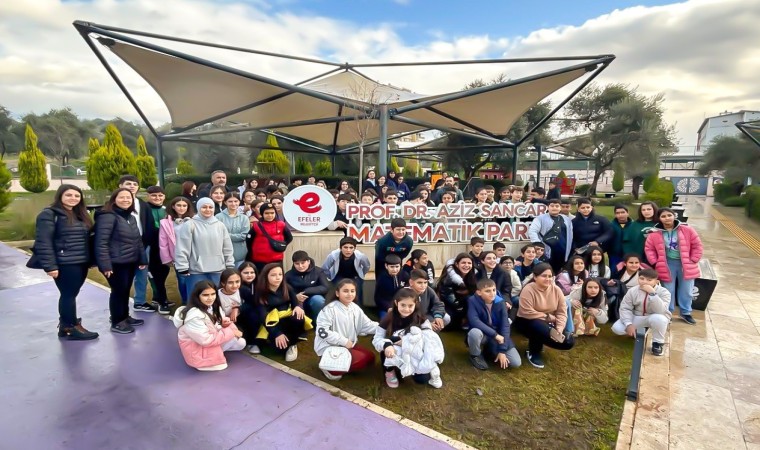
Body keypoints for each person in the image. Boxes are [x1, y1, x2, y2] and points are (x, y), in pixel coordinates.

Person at [30, 184, 98, 340]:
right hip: (65, 263)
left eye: (77, 195)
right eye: (69, 195)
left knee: (71, 294)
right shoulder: (49, 214)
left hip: (81, 262)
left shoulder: (80, 214)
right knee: (68, 295)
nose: (73, 198)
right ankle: (70, 327)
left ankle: (66, 324)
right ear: (60, 196)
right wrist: (50, 266)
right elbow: (43, 242)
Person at [94, 188, 148, 334]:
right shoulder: (107, 216)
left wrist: (142, 259)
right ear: (114, 199)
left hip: (129, 261)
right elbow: (101, 243)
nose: (125, 200)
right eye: (122, 197)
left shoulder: (130, 217)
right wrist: (105, 265)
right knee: (118, 291)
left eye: (128, 198)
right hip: (115, 263)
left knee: (125, 290)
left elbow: (138, 240)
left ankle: (124, 317)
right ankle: (117, 321)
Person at [372, 289, 445, 389]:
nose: (406, 309)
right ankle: (389, 371)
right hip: (393, 350)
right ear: (396, 303)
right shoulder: (388, 318)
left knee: (422, 379)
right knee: (388, 348)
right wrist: (387, 345)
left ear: (415, 304)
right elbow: (377, 338)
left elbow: (428, 336)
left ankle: (412, 367)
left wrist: (406, 342)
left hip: (413, 351)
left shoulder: (420, 318)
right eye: (403, 305)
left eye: (410, 306)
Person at [645, 208, 703, 325]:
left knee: (686, 290)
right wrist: (655, 261)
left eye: (669, 215)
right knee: (668, 290)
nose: (667, 218)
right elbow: (649, 248)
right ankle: (668, 313)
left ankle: (685, 312)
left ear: (674, 216)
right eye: (663, 216)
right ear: (659, 219)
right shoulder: (654, 233)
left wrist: (693, 259)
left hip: (686, 264)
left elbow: (697, 245)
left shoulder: (687, 229)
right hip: (667, 264)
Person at [173, 280, 246, 371]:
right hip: (198, 349)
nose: (210, 298)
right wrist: (231, 332)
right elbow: (206, 340)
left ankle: (217, 351)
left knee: (240, 343)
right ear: (197, 296)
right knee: (222, 365)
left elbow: (214, 326)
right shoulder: (194, 317)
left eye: (213, 294)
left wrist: (223, 324)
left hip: (208, 341)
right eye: (205, 295)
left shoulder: (213, 307)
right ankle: (212, 355)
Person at [314, 279, 379, 381]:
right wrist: (343, 341)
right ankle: (328, 367)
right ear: (337, 293)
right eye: (345, 291)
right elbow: (322, 332)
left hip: (348, 346)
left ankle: (340, 365)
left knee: (370, 358)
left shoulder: (355, 308)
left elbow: (367, 325)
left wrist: (385, 328)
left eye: (352, 291)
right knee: (362, 360)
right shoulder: (329, 309)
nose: (349, 294)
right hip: (330, 347)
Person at [515, 263, 575, 369]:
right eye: (544, 276)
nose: (548, 279)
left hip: (548, 323)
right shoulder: (528, 289)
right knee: (538, 326)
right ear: (535, 277)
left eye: (550, 276)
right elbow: (526, 312)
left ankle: (543, 338)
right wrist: (549, 317)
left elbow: (562, 312)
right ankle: (534, 353)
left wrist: (559, 329)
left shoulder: (556, 290)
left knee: (568, 342)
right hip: (526, 321)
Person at [174, 197, 235, 300]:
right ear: (198, 208)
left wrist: (229, 263)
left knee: (216, 298)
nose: (208, 210)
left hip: (218, 269)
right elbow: (182, 247)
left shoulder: (220, 225)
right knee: (196, 298)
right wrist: (182, 266)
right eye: (204, 207)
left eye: (210, 207)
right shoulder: (190, 224)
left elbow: (227, 247)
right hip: (196, 270)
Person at [254, 263, 311, 362]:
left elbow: (295, 302)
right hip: (272, 322)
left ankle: (293, 343)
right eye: (273, 275)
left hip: (287, 319)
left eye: (280, 274)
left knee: (298, 316)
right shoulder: (261, 292)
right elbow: (263, 317)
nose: (278, 278)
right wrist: (277, 333)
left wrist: (298, 307)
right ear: (266, 276)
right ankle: (275, 340)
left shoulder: (286, 287)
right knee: (280, 349)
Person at [118, 175, 156, 313]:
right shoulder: (115, 205)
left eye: (135, 184)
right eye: (128, 184)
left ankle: (139, 302)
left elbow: (150, 224)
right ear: (120, 186)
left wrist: (147, 243)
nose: (132, 186)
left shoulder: (143, 205)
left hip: (142, 245)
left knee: (142, 275)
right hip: (122, 247)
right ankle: (120, 308)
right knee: (123, 278)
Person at [611, 268, 671, 356]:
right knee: (617, 328)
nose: (644, 282)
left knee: (660, 319)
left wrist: (652, 294)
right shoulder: (633, 290)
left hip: (654, 316)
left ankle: (657, 343)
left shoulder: (664, 292)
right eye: (642, 278)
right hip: (637, 316)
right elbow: (625, 308)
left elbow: (661, 311)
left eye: (649, 280)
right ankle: (637, 331)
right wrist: (628, 324)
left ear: (656, 281)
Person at [467, 279, 522, 370]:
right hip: (485, 333)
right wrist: (495, 335)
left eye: (494, 290)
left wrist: (502, 350)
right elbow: (474, 321)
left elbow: (505, 326)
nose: (492, 293)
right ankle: (475, 355)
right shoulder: (472, 300)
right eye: (487, 291)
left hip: (498, 335)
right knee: (474, 333)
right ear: (479, 292)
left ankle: (489, 350)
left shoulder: (500, 302)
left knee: (516, 363)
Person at [159, 196, 194, 305]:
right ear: (173, 206)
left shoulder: (194, 220)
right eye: (179, 205)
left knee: (194, 279)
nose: (181, 208)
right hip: (178, 256)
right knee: (182, 280)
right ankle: (186, 302)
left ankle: (195, 302)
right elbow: (163, 242)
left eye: (184, 205)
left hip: (194, 255)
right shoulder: (165, 223)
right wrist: (167, 258)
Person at [144, 186, 171, 315]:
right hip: (150, 247)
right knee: (155, 275)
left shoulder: (166, 210)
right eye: (154, 195)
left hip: (164, 248)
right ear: (148, 196)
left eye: (160, 195)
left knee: (164, 271)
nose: (157, 198)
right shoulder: (144, 210)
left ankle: (157, 297)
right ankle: (162, 301)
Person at [528, 199, 573, 274]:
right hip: (547, 250)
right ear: (548, 207)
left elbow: (570, 234)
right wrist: (538, 244)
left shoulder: (566, 219)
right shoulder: (540, 218)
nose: (554, 208)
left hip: (563, 250)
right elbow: (532, 231)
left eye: (557, 206)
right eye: (552, 206)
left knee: (559, 272)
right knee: (546, 271)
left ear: (560, 208)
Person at [245, 202, 293, 273]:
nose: (270, 215)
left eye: (272, 213)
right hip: (259, 260)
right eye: (267, 213)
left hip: (276, 259)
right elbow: (249, 240)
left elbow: (289, 237)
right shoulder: (256, 226)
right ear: (262, 213)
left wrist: (281, 245)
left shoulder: (281, 225)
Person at [285, 250, 331, 321]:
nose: (300, 266)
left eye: (303, 263)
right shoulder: (288, 275)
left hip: (312, 298)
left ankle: (318, 322)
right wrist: (295, 297)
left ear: (308, 261)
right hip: (295, 301)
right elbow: (284, 290)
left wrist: (305, 292)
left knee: (318, 300)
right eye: (297, 264)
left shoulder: (318, 271)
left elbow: (325, 287)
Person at [437, 253, 477, 329]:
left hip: (462, 304)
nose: (466, 265)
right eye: (463, 263)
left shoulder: (472, 276)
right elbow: (451, 300)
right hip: (448, 305)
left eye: (469, 263)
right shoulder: (448, 279)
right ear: (456, 264)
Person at [216, 192, 250, 268]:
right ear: (225, 202)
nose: (233, 204)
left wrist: (226, 235)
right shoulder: (218, 217)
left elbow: (244, 236)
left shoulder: (244, 218)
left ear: (239, 202)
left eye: (236, 201)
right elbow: (217, 235)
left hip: (240, 254)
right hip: (223, 254)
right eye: (230, 201)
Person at [236, 262, 261, 354]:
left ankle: (254, 343)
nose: (249, 275)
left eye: (252, 272)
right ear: (239, 273)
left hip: (253, 313)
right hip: (237, 314)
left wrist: (240, 308)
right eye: (246, 273)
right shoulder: (235, 285)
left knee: (254, 315)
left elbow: (256, 302)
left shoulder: (259, 285)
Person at [374, 255, 409, 320]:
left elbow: (408, 292)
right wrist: (388, 307)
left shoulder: (405, 275)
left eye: (397, 266)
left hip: (403, 304)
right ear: (386, 266)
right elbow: (378, 298)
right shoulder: (382, 278)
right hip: (387, 306)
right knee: (386, 322)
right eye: (392, 267)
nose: (395, 269)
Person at [609, 205, 638, 269]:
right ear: (615, 215)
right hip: (615, 255)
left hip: (631, 255)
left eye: (623, 212)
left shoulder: (635, 225)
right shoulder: (610, 225)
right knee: (615, 272)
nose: (620, 215)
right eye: (618, 213)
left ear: (627, 213)